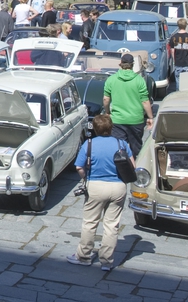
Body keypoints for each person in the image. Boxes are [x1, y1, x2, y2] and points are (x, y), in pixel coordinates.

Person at [67, 114, 132, 271]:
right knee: (111, 225)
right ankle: (107, 261)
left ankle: (83, 256)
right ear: (111, 128)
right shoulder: (121, 144)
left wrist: (86, 180)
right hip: (118, 187)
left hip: (95, 186)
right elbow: (132, 167)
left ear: (95, 129)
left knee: (90, 223)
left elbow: (79, 167)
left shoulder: (89, 145)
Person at [103, 53, 152, 156]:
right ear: (132, 64)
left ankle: (120, 170)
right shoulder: (139, 80)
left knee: (119, 150)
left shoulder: (111, 79)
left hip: (117, 120)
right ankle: (135, 169)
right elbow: (145, 101)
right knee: (136, 149)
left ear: (120, 64)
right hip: (135, 120)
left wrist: (107, 112)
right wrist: (150, 117)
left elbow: (106, 99)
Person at [168, 17, 188, 83]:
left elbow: (172, 51)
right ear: (186, 25)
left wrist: (174, 60)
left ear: (178, 26)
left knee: (178, 81)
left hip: (178, 63)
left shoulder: (173, 37)